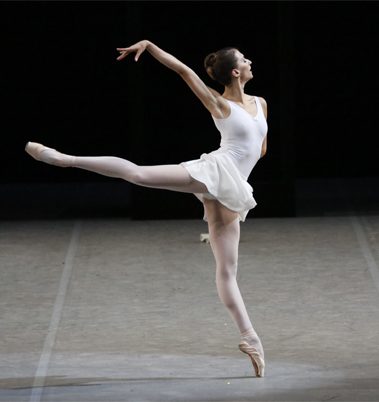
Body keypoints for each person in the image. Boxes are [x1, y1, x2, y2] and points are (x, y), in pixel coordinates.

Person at [25, 40, 268, 377]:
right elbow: (184, 71)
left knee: (228, 270)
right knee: (139, 174)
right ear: (236, 72)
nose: (250, 60)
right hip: (215, 171)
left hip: (232, 188)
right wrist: (151, 47)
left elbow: (260, 149)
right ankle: (65, 159)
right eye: (245, 58)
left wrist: (241, 172)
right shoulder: (220, 104)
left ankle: (250, 339)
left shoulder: (261, 103)